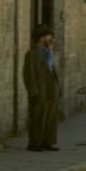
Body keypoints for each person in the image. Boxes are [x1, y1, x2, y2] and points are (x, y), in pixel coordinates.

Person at [23, 24, 60, 152]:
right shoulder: (32, 54)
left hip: (50, 90)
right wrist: (33, 91)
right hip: (40, 90)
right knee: (38, 118)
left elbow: (51, 69)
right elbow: (29, 74)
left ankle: (47, 142)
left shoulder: (48, 52)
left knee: (50, 117)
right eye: (49, 36)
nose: (51, 38)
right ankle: (35, 143)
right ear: (42, 37)